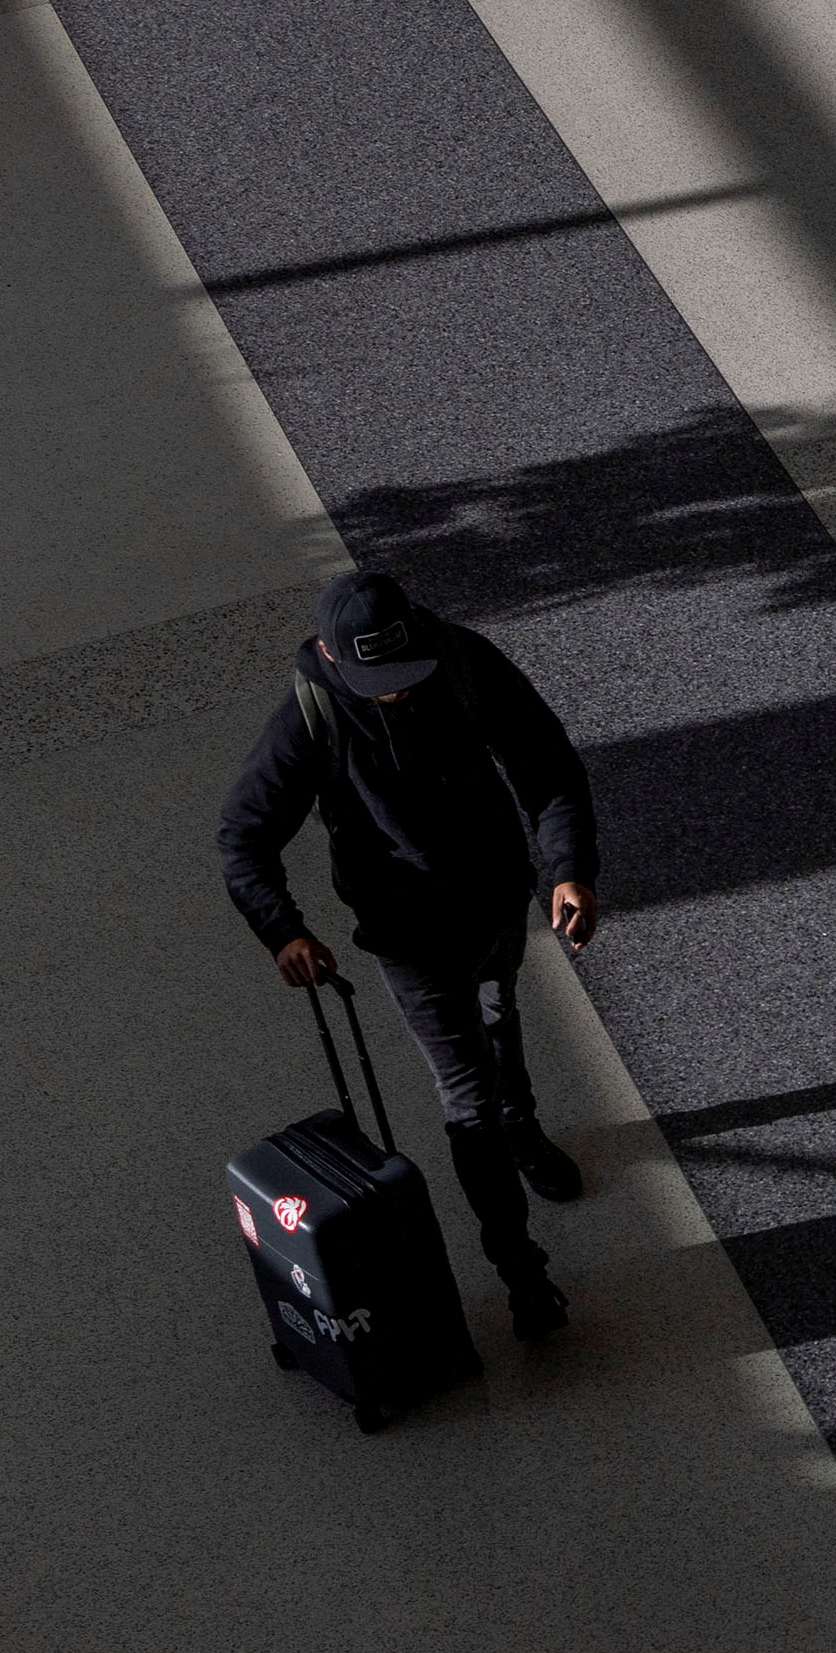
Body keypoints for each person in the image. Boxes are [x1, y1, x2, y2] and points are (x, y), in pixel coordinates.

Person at [220, 569, 602, 1338]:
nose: (393, 692)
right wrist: (283, 929)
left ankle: (521, 1122)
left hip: (496, 895)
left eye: (403, 675)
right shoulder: (311, 717)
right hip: (407, 934)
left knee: (501, 1006)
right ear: (333, 659)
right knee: (466, 1099)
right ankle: (523, 1270)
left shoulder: (460, 657)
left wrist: (568, 868)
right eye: (376, 682)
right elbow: (243, 834)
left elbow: (545, 761)